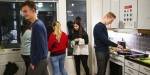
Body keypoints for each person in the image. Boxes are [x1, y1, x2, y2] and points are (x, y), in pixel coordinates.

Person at [21, 1, 48, 75]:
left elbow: (40, 47)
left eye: (25, 11)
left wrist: (33, 62)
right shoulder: (38, 24)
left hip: (39, 61)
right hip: (42, 60)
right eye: (23, 12)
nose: (24, 14)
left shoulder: (37, 25)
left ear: (33, 10)